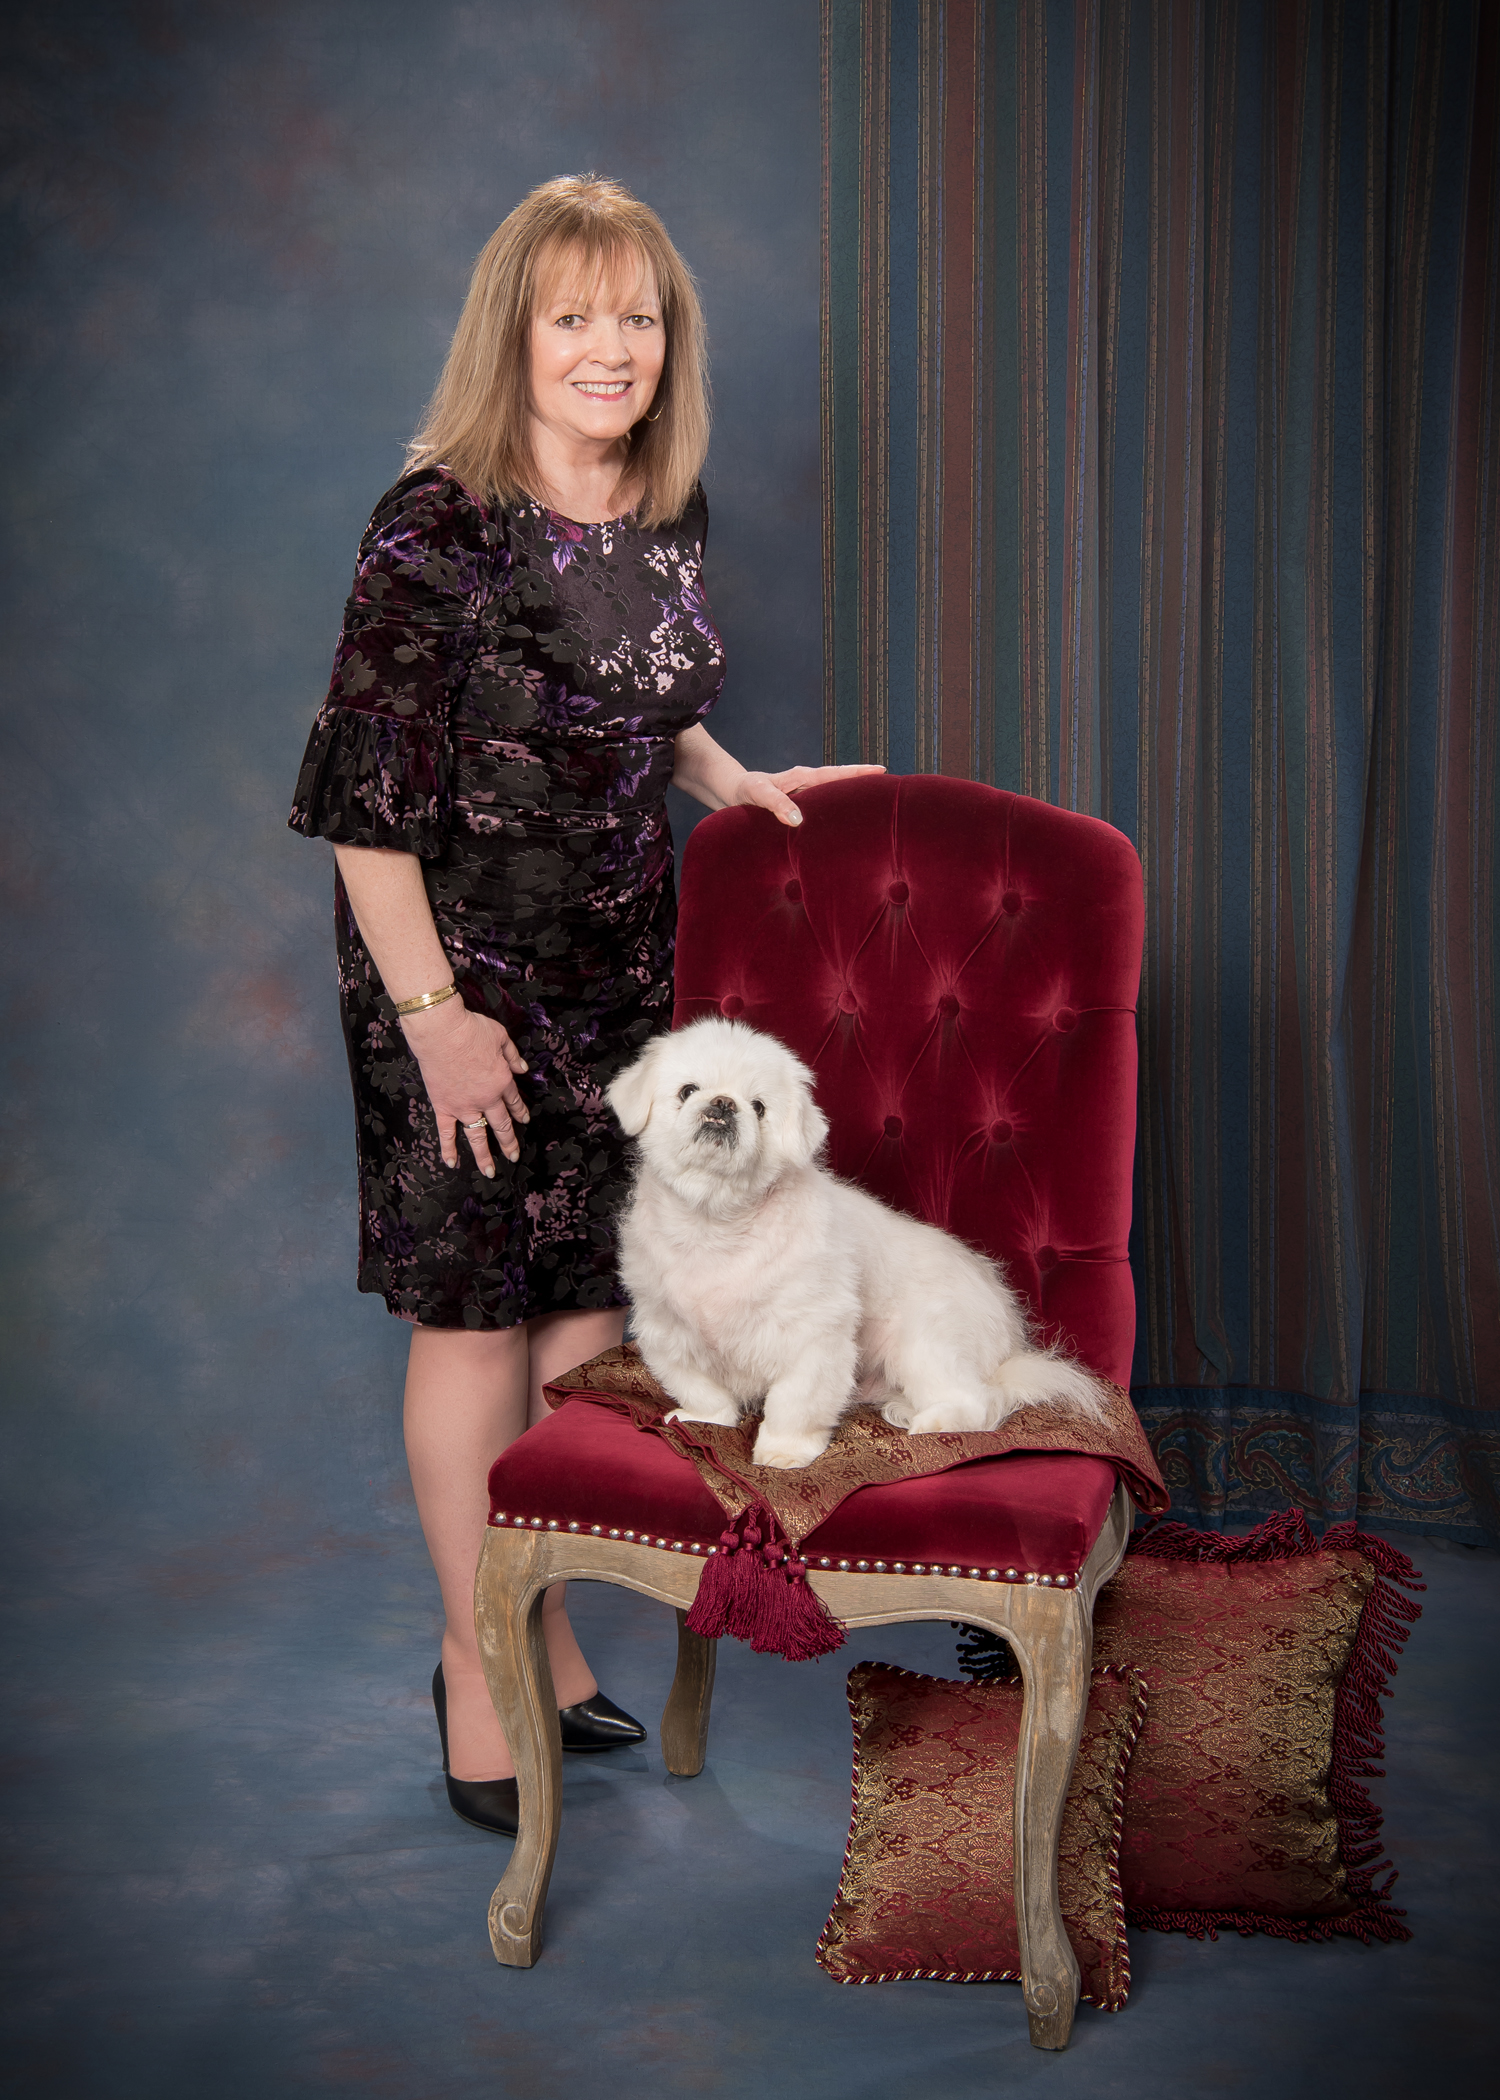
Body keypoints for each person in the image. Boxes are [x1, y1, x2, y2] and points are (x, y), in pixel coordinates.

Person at [289, 174, 878, 1836]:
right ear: (517, 336)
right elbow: (357, 804)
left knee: (586, 1317)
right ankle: (474, 1666)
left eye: (637, 317)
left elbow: (639, 699)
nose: (609, 350)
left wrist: (731, 777)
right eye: (574, 318)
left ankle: (539, 1628)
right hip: (452, 979)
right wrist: (433, 1021)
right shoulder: (438, 524)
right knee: (476, 1318)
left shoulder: (666, 505)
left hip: (618, 972)